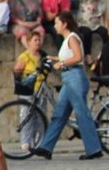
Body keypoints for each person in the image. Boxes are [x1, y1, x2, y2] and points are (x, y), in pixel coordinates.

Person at [30, 11, 104, 160]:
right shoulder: (67, 39)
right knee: (59, 114)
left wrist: (61, 63)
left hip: (74, 77)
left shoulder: (72, 38)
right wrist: (53, 58)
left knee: (81, 113)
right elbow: (68, 56)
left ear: (64, 24)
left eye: (57, 23)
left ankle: (94, 148)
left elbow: (78, 57)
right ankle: (46, 147)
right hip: (69, 78)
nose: (55, 26)